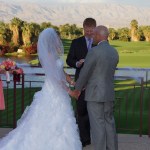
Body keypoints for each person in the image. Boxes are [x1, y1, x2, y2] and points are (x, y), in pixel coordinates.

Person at [0, 28, 82, 150]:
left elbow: (60, 71)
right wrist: (70, 92)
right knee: (53, 119)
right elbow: (55, 78)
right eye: (57, 38)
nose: (59, 41)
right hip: (53, 91)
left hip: (59, 91)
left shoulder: (53, 54)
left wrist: (71, 81)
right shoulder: (48, 56)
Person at [74, 25, 119, 150]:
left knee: (98, 124)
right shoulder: (114, 52)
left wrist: (77, 88)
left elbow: (85, 72)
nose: (92, 37)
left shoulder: (94, 51)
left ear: (99, 36)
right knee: (109, 122)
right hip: (109, 93)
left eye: (94, 35)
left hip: (95, 94)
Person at [66, 17, 96, 147]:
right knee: (81, 111)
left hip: (95, 83)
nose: (89, 33)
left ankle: (97, 138)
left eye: (91, 31)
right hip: (81, 83)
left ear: (95, 28)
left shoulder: (100, 42)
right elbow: (69, 60)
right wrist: (77, 63)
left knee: (95, 112)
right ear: (83, 28)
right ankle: (85, 140)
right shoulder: (76, 42)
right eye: (87, 30)